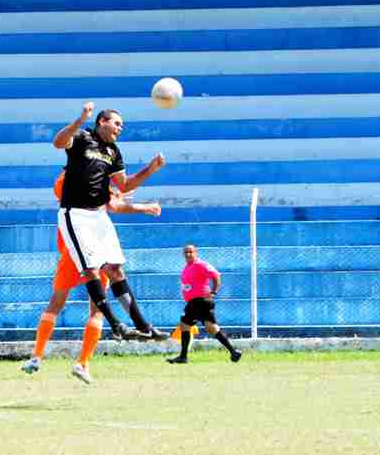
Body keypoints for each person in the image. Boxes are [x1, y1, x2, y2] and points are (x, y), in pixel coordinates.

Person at [22, 173, 162, 384]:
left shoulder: (67, 179)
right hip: (86, 249)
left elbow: (105, 202)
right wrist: (137, 204)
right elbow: (109, 204)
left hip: (74, 252)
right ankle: (80, 363)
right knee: (90, 309)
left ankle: (39, 357)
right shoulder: (83, 177)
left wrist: (114, 195)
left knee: (59, 304)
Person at [54, 101, 169, 344]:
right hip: (75, 214)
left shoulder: (113, 151)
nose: (120, 128)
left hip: (99, 216)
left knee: (115, 270)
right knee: (90, 270)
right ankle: (116, 324)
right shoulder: (83, 137)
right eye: (117, 123)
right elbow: (58, 142)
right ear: (101, 122)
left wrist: (151, 169)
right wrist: (79, 119)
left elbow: (124, 186)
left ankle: (143, 326)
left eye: (122, 125)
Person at [167, 244, 242, 364]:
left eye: (191, 252)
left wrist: (213, 292)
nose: (188, 254)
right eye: (186, 252)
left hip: (200, 301)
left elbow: (216, 275)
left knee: (185, 324)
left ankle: (183, 357)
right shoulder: (187, 267)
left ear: (196, 253)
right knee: (211, 328)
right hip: (196, 302)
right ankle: (234, 352)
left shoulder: (200, 264)